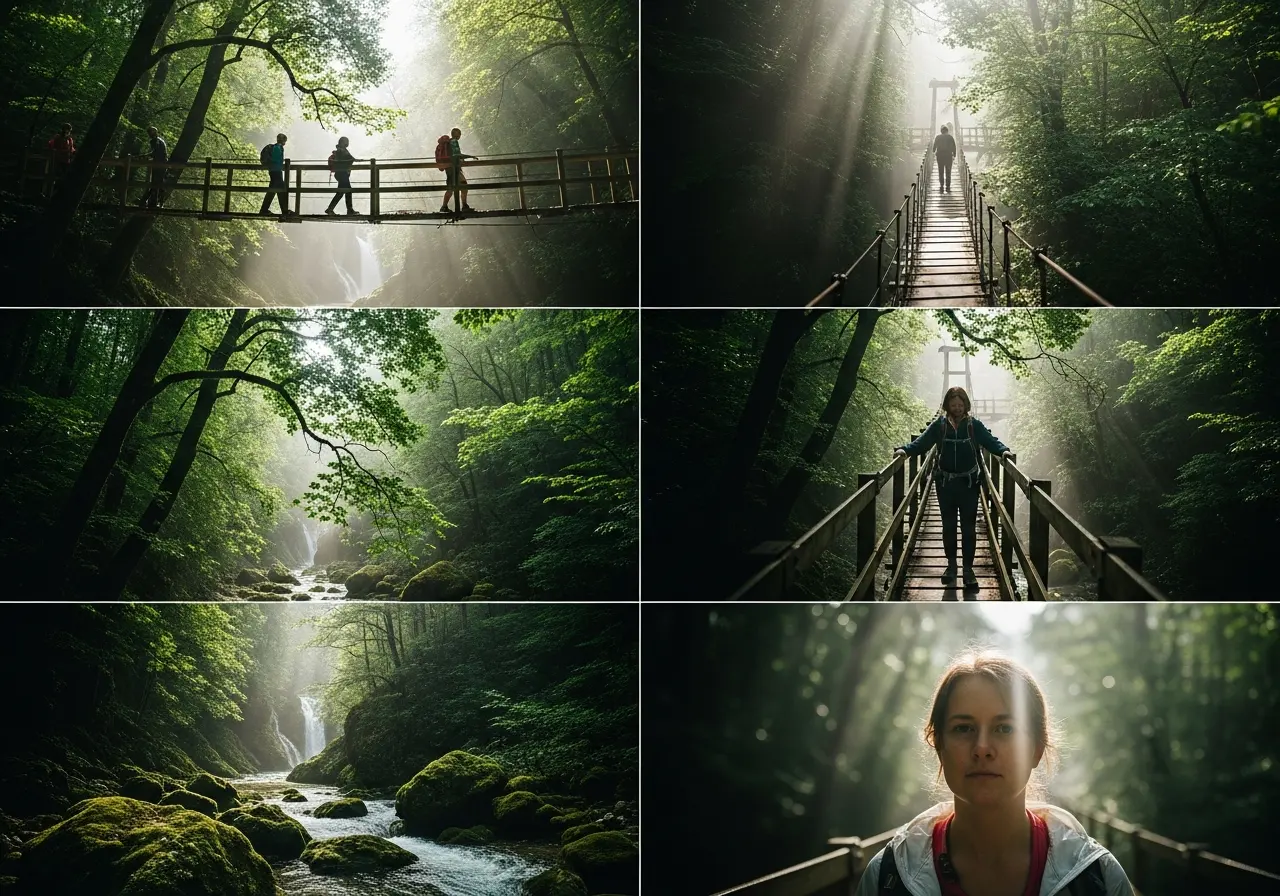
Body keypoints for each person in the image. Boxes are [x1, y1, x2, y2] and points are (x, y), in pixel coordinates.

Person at [854, 651, 1134, 896]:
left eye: (1005, 728)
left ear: (1037, 748)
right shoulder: (886, 877)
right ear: (939, 745)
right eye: (964, 728)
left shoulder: (1099, 878)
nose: (982, 748)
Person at [894, 386, 1010, 590]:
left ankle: (968, 569)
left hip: (969, 484)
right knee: (948, 527)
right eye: (953, 405)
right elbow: (922, 443)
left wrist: (1004, 451)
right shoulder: (939, 426)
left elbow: (991, 442)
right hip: (945, 484)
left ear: (966, 405)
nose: (957, 408)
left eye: (960, 404)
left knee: (968, 528)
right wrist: (905, 450)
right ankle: (951, 566)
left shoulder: (974, 425)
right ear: (947, 405)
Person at [440, 127, 478, 214]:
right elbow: (457, 155)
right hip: (454, 169)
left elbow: (454, 155)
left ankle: (445, 206)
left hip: (449, 168)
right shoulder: (454, 142)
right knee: (462, 186)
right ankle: (463, 206)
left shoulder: (449, 142)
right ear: (457, 135)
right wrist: (470, 157)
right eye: (459, 134)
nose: (460, 135)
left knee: (453, 187)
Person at [325, 136, 359, 215]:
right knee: (347, 191)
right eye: (346, 141)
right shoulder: (341, 150)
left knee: (341, 192)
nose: (347, 143)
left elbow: (348, 158)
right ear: (342, 142)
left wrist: (353, 159)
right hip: (342, 174)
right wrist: (354, 160)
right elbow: (347, 159)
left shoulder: (341, 150)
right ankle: (349, 210)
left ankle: (330, 209)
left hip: (341, 174)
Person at [260, 132, 290, 215]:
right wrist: (280, 165)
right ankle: (283, 211)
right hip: (276, 171)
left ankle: (265, 210)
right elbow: (276, 159)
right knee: (279, 190)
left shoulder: (275, 147)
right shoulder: (278, 147)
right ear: (283, 141)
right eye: (285, 141)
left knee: (275, 191)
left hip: (273, 171)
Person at [139, 127, 167, 209]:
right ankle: (154, 202)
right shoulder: (159, 140)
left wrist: (144, 156)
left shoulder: (155, 141)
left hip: (158, 164)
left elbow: (155, 153)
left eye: (149, 133)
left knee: (156, 183)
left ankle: (147, 201)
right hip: (162, 164)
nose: (149, 134)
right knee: (158, 183)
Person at [46, 123, 75, 195]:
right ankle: (52, 193)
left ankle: (60, 193)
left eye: (69, 130)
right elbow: (52, 146)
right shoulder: (57, 138)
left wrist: (72, 153)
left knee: (64, 177)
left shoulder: (69, 139)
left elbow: (71, 149)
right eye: (67, 130)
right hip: (57, 160)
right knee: (55, 177)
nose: (68, 132)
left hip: (66, 161)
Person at [934, 125, 956, 193]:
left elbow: (934, 146)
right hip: (948, 156)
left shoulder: (938, 137)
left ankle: (941, 186)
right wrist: (954, 154)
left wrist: (933, 150)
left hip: (940, 156)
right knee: (948, 171)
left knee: (941, 171)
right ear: (947, 131)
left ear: (941, 131)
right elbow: (954, 146)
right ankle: (948, 187)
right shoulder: (950, 137)